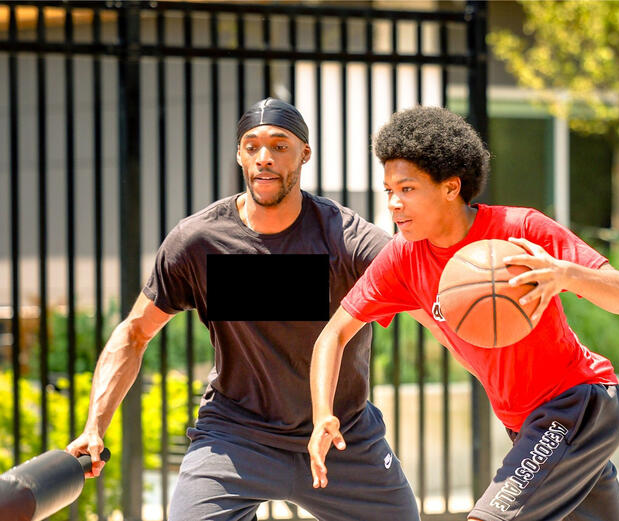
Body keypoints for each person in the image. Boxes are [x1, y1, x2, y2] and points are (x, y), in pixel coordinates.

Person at [67, 98, 420, 521]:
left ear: (305, 153)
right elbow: (134, 333)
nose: (264, 158)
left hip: (340, 435)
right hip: (236, 437)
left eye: (279, 146)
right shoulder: (200, 242)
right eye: (251, 146)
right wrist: (94, 427)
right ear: (239, 155)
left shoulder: (344, 237)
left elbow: (424, 282)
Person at [309, 106, 619, 521]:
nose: (394, 204)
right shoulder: (402, 258)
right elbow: (334, 334)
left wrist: (565, 275)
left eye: (408, 189)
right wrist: (323, 412)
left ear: (451, 187)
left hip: (577, 403)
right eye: (388, 191)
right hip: (525, 423)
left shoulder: (521, 230)